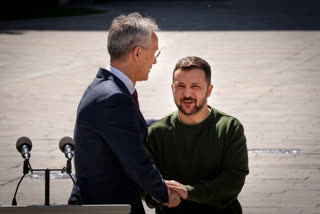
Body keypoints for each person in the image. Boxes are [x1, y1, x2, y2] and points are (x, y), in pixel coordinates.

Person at [68, 13, 173, 213]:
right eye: (155, 53)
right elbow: (137, 163)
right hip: (108, 208)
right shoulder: (114, 99)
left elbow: (125, 129)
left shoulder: (104, 87)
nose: (155, 62)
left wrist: (170, 124)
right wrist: (165, 193)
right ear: (137, 53)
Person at [145, 56, 249, 214]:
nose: (187, 94)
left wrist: (189, 192)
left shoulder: (229, 128)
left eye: (195, 86)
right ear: (172, 88)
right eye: (181, 86)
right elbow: (144, 180)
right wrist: (157, 196)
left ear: (209, 90)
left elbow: (233, 181)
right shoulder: (157, 132)